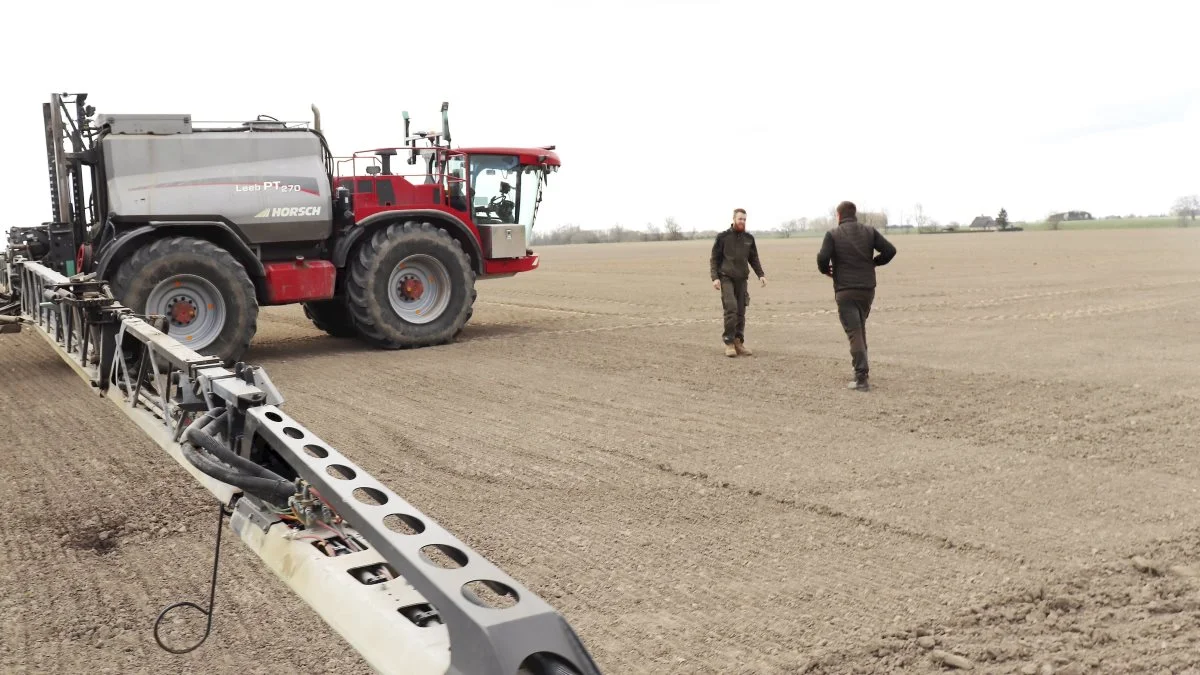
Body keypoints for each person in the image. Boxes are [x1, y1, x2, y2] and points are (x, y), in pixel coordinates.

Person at [816, 200, 897, 391]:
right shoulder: (869, 231)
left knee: (854, 332)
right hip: (867, 289)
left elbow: (822, 258)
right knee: (859, 329)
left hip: (845, 289)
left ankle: (861, 378)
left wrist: (826, 270)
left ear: (839, 216)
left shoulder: (833, 234)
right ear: (855, 214)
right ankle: (862, 372)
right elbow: (890, 250)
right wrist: (874, 263)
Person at [710, 208, 766, 357]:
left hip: (742, 279)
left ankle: (738, 342)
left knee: (741, 311)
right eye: (740, 219)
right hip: (726, 277)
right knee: (731, 309)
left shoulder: (749, 238)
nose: (742, 222)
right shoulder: (723, 237)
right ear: (734, 219)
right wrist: (715, 277)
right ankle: (728, 343)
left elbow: (753, 258)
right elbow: (714, 258)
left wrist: (760, 274)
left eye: (744, 219)